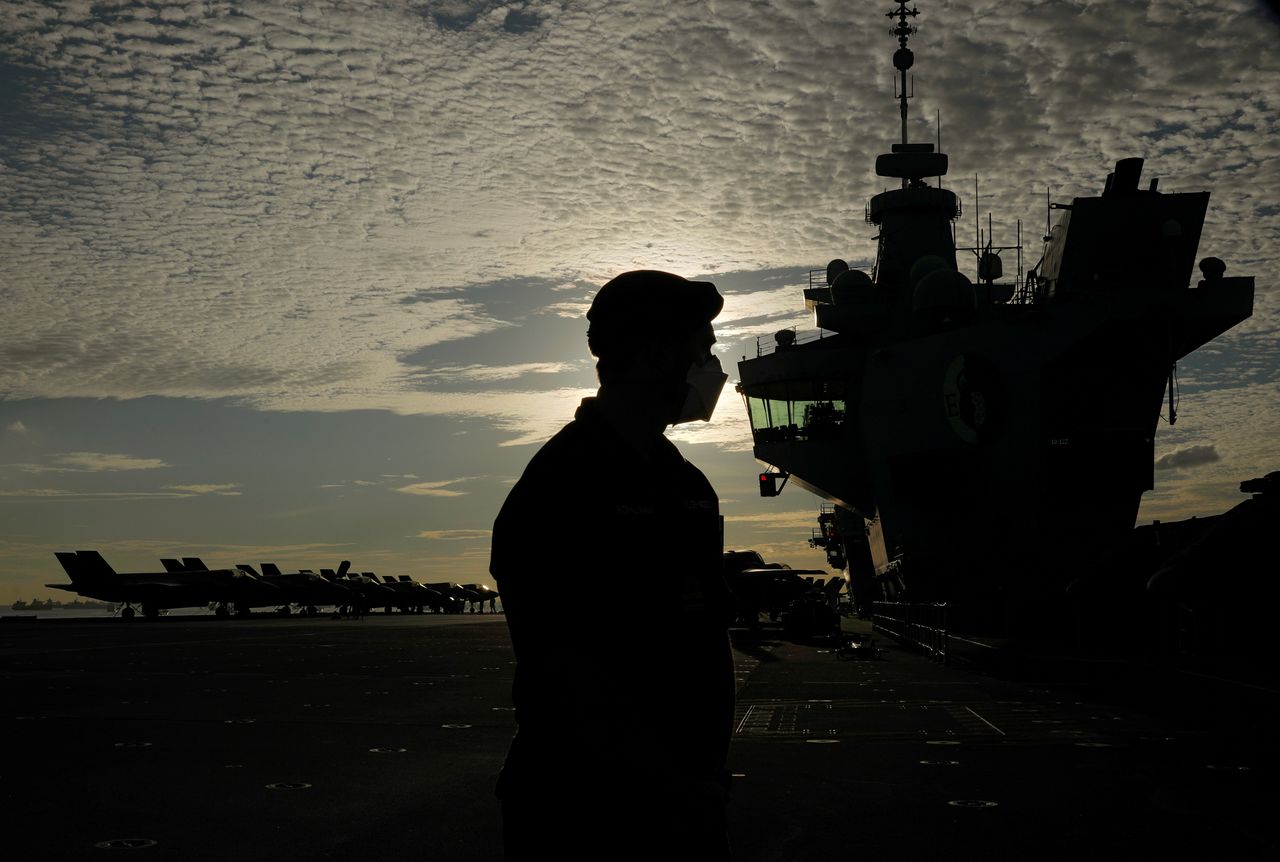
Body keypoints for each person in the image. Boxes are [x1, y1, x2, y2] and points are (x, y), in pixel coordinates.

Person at [490, 270, 737, 861]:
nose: (709, 368)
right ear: (653, 354)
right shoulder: (561, 482)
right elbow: (562, 659)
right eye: (698, 351)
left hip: (682, 801)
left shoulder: (688, 485)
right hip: (585, 809)